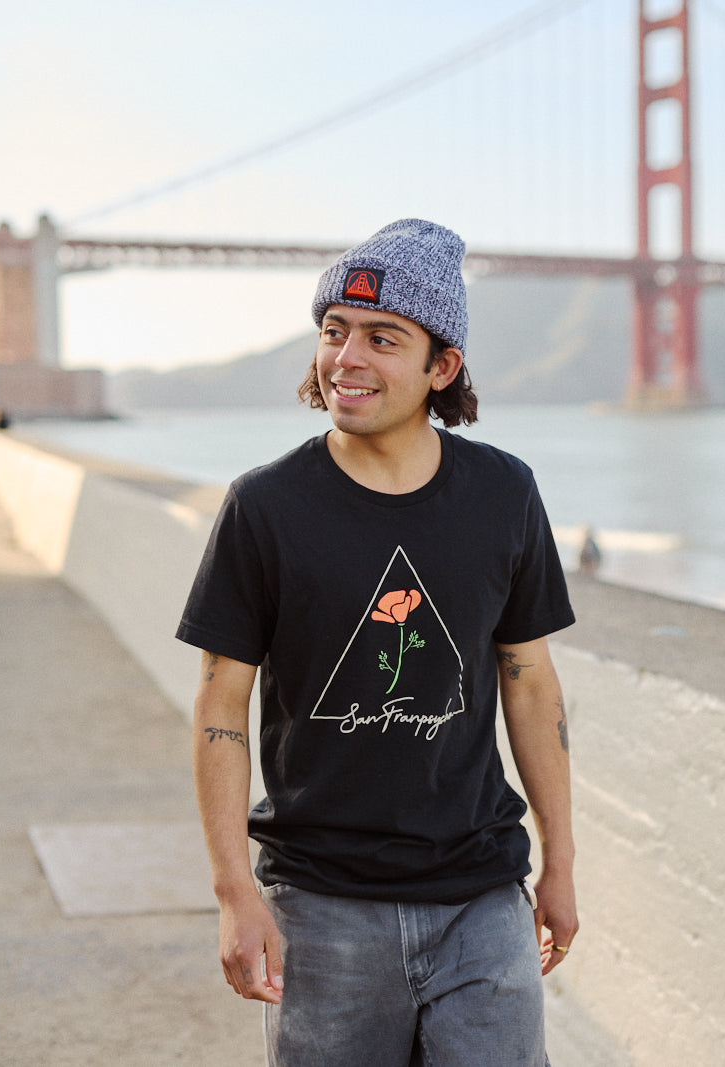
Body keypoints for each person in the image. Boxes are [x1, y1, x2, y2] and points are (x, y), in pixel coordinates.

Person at [177, 218, 578, 1066]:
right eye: (333, 331)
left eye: (382, 338)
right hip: (322, 912)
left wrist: (562, 863)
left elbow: (531, 683)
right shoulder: (265, 508)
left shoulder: (504, 492)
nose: (345, 358)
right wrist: (232, 892)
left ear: (443, 365)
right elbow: (221, 701)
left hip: (483, 902)